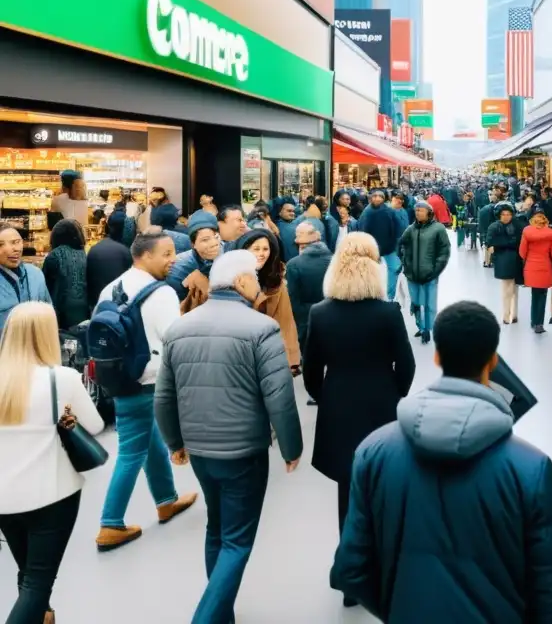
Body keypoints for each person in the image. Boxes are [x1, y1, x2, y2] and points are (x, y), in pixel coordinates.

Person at [332, 301, 552, 622]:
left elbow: (351, 568)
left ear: (436, 356)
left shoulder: (373, 452)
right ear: (492, 361)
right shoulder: (531, 469)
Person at [156, 250, 303, 622]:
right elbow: (279, 396)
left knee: (217, 527)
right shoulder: (260, 329)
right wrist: (291, 447)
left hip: (201, 450)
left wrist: (175, 442)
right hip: (245, 450)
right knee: (238, 539)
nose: (257, 282)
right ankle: (206, 617)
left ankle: (221, 615)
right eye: (253, 276)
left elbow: (165, 395)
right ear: (240, 283)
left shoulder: (180, 327)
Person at [304, 233, 415, 607]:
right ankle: (383, 570)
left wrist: (327, 396)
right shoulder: (387, 313)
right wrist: (394, 392)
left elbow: (310, 370)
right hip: (381, 404)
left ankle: (352, 580)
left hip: (338, 404)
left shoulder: (320, 313)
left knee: (346, 491)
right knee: (383, 488)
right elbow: (407, 364)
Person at [0, 302, 104, 624]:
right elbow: (96, 425)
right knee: (37, 583)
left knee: (27, 572)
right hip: (52, 495)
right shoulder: (61, 379)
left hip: (5, 499)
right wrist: (64, 415)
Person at [95, 231, 197, 551]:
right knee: (130, 451)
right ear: (145, 256)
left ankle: (166, 500)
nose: (173, 260)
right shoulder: (162, 292)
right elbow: (175, 338)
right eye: (166, 254)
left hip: (119, 377)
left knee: (148, 438)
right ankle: (110, 524)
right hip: (149, 378)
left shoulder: (110, 288)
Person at [237, 229, 301, 376]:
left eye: (266, 249)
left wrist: (291, 359)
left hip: (267, 352)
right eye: (256, 249)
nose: (261, 253)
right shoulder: (232, 278)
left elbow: (285, 321)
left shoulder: (276, 281)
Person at [397, 201, 451, 344]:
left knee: (429, 304)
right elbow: (401, 243)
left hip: (430, 274)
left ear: (429, 212)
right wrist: (404, 261)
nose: (418, 213)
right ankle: (421, 327)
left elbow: (444, 251)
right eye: (416, 211)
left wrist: (436, 270)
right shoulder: (411, 229)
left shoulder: (438, 229)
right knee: (415, 303)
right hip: (412, 274)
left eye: (421, 210)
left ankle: (429, 329)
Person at [285, 221, 333, 368]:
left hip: (306, 319)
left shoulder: (294, 264)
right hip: (331, 314)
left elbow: (293, 298)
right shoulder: (334, 260)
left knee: (310, 360)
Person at [167, 210, 223, 313]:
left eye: (216, 237)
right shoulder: (179, 268)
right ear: (193, 244)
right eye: (205, 240)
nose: (214, 243)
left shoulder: (230, 256)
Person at [0, 224, 51, 331]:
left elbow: (48, 311)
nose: (15, 249)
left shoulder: (35, 274)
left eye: (16, 242)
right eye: (1, 244)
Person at [357, 189, 404, 301]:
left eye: (380, 196)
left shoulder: (390, 211)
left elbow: (398, 229)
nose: (377, 198)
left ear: (384, 198)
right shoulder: (366, 212)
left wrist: (396, 244)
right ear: (370, 198)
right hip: (371, 249)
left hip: (389, 248)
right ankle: (369, 295)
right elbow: (362, 229)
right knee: (368, 271)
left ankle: (389, 296)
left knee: (394, 269)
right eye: (375, 196)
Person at [41, 219, 89, 329]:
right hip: (83, 309)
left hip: (59, 309)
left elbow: (44, 285)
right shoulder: (83, 254)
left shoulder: (54, 255)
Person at [519, 204, 552, 334]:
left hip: (531, 267)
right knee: (542, 296)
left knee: (534, 295)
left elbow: (522, 252)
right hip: (545, 267)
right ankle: (539, 324)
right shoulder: (551, 233)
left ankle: (533, 321)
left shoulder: (527, 231)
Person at [486, 202, 523, 325]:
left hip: (516, 259)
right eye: (503, 214)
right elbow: (489, 244)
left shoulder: (517, 225)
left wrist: (500, 245)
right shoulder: (494, 227)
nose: (506, 216)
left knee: (514, 287)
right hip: (503, 260)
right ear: (499, 215)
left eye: (508, 214)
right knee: (507, 288)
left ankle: (513, 314)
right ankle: (507, 314)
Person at [86, 215, 133, 310]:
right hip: (118, 304)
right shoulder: (125, 251)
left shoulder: (94, 249)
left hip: (97, 303)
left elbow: (88, 279)